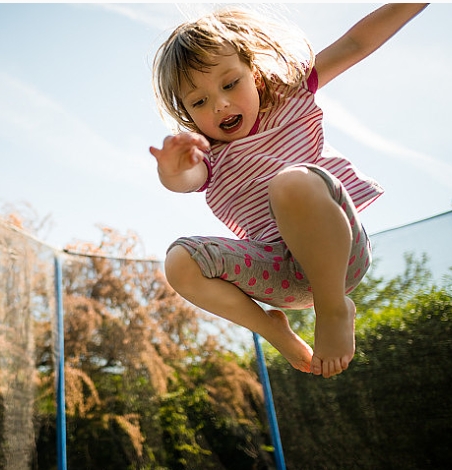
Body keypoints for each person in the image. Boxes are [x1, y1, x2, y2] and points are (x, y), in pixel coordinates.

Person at [149, 4, 428, 378]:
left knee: (291, 182)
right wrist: (171, 170)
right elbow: (185, 180)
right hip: (278, 275)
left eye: (230, 84)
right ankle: (273, 329)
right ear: (187, 113)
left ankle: (333, 309)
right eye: (199, 102)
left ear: (257, 78)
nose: (220, 104)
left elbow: (355, 43)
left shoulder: (290, 99)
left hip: (339, 255)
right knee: (180, 261)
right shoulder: (207, 154)